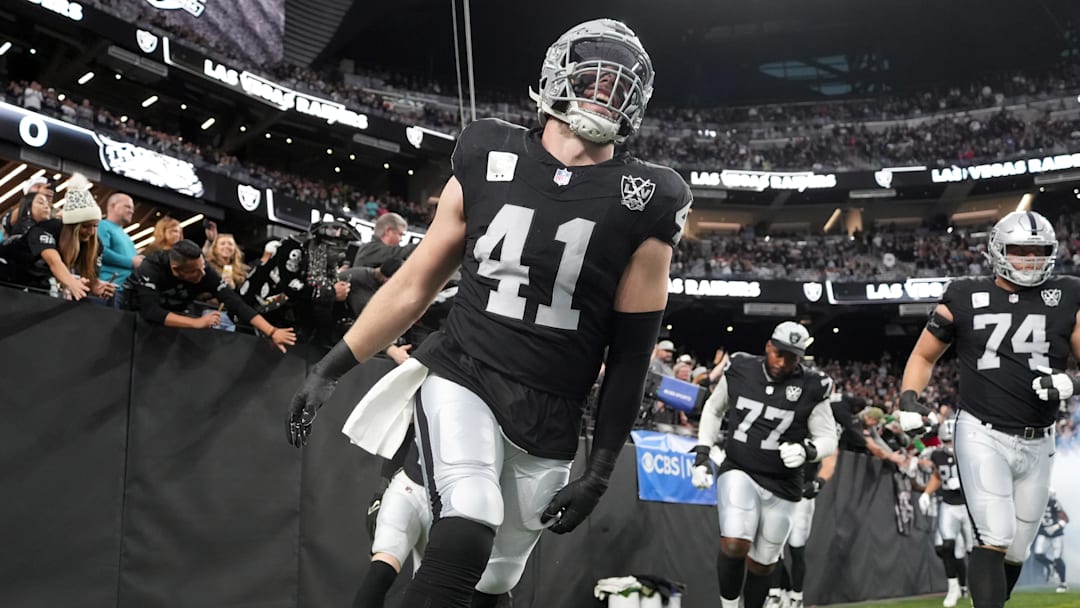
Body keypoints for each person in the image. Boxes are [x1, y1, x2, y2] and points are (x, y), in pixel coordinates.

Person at [287, 18, 690, 607]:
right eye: (596, 80)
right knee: (469, 516)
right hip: (466, 372)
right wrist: (330, 368)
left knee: (493, 582)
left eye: (619, 88)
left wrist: (600, 470)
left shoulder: (649, 196)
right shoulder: (488, 150)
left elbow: (631, 356)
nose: (606, 96)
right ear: (558, 78)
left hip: (553, 409)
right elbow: (414, 285)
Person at [899, 210, 1080, 608]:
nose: (1030, 260)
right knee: (995, 535)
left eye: (1039, 251)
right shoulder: (964, 295)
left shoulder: (1068, 293)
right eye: (1020, 251)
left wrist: (1074, 382)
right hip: (982, 431)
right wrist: (908, 397)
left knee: (1016, 550)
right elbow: (923, 356)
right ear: (997, 250)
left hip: (1040, 438)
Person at [691, 321, 838, 608]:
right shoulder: (740, 367)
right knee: (734, 543)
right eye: (779, 353)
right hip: (741, 467)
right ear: (768, 346)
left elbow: (828, 438)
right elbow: (713, 409)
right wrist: (702, 454)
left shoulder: (813, 384)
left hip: (784, 482)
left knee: (763, 563)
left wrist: (807, 450)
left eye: (792, 357)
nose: (783, 362)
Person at [122, 239, 296, 352]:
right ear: (176, 269)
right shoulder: (152, 267)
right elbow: (151, 311)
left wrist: (271, 331)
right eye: (195, 271)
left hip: (170, 318)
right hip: (127, 316)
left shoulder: (203, 270)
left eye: (203, 267)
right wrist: (196, 322)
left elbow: (235, 302)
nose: (203, 274)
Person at [763, 452, 838, 608]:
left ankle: (796, 598)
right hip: (778, 491)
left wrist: (818, 483)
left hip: (801, 495)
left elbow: (830, 460)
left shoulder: (819, 438)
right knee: (773, 547)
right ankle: (776, 594)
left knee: (796, 548)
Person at [916, 416, 971, 608]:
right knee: (947, 546)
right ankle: (953, 588)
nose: (949, 445)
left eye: (952, 440)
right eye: (946, 441)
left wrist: (964, 483)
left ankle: (976, 588)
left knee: (974, 550)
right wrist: (927, 493)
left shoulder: (969, 452)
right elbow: (938, 476)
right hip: (949, 505)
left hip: (968, 506)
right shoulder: (937, 455)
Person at [98, 193, 142, 297]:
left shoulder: (126, 236)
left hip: (124, 292)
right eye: (127, 207)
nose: (132, 211)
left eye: (132, 208)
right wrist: (131, 262)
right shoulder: (102, 225)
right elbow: (101, 251)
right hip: (109, 289)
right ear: (113, 206)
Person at [1032, 488, 1069, 593]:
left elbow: (1065, 519)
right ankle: (1052, 565)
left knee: (1058, 558)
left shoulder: (1054, 503)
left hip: (1056, 534)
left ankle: (1063, 583)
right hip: (1043, 532)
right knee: (1038, 555)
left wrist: (1056, 527)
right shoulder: (1036, 503)